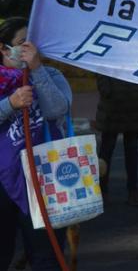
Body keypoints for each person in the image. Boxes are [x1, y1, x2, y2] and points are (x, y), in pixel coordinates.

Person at [0, 17, 72, 271]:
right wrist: (10, 104)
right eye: (22, 42)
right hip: (3, 181)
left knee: (45, 256)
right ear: (4, 49)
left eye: (32, 43)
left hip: (45, 178)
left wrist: (37, 69)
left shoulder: (51, 74)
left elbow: (58, 109)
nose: (29, 48)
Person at [95, 75, 138, 207]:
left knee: (126, 151)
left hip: (131, 107)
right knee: (109, 151)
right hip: (117, 107)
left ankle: (131, 191)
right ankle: (106, 191)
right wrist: (106, 90)